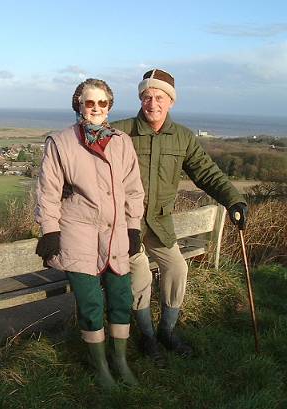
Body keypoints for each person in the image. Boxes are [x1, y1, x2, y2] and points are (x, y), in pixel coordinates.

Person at [110, 69, 248, 366]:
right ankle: (147, 337)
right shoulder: (120, 132)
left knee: (177, 269)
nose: (153, 103)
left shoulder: (182, 138)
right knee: (140, 276)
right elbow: (86, 148)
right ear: (140, 99)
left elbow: (206, 173)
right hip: (126, 226)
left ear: (170, 101)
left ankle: (167, 331)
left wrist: (234, 200)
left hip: (159, 223)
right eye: (147, 96)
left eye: (160, 97)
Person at [34, 78, 145, 388]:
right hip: (77, 234)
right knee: (91, 303)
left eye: (102, 103)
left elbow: (134, 190)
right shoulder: (60, 143)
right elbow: (48, 192)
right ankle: (101, 368)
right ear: (78, 105)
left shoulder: (122, 141)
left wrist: (133, 226)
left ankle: (120, 360)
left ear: (109, 107)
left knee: (121, 298)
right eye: (89, 102)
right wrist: (50, 231)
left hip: (117, 236)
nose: (96, 108)